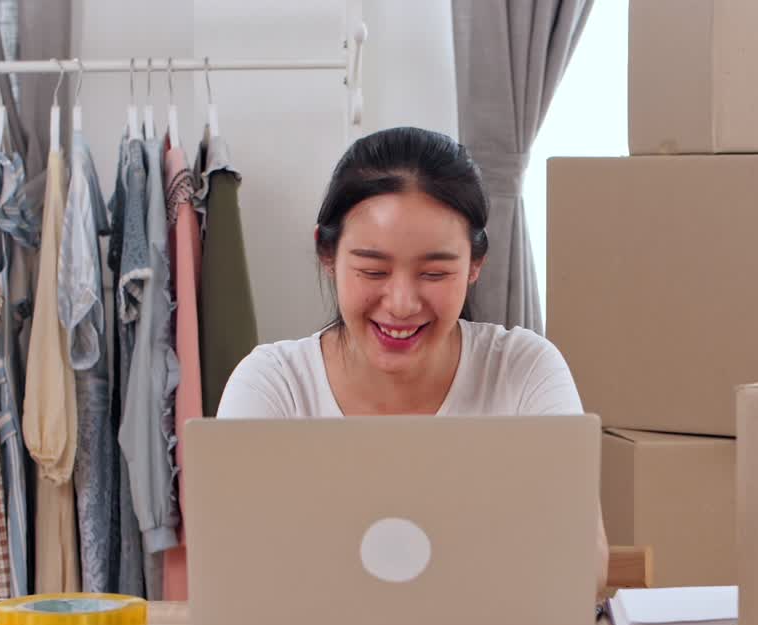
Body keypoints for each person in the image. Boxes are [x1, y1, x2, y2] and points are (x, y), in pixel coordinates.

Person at [218, 126, 609, 596]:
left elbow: (582, 566)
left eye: (434, 273)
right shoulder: (272, 386)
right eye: (373, 271)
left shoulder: (524, 371)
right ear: (328, 254)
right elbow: (238, 573)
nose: (401, 303)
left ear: (475, 264)